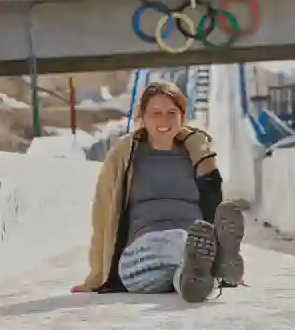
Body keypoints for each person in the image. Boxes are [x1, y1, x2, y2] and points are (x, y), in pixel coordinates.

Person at [71, 81, 244, 303]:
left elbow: (213, 204)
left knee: (184, 270)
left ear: (182, 115)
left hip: (183, 260)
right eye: (156, 113)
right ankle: (215, 260)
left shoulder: (199, 155)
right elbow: (102, 213)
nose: (164, 120)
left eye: (172, 112)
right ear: (142, 117)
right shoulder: (125, 155)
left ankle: (194, 279)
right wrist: (96, 276)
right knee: (181, 240)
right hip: (140, 259)